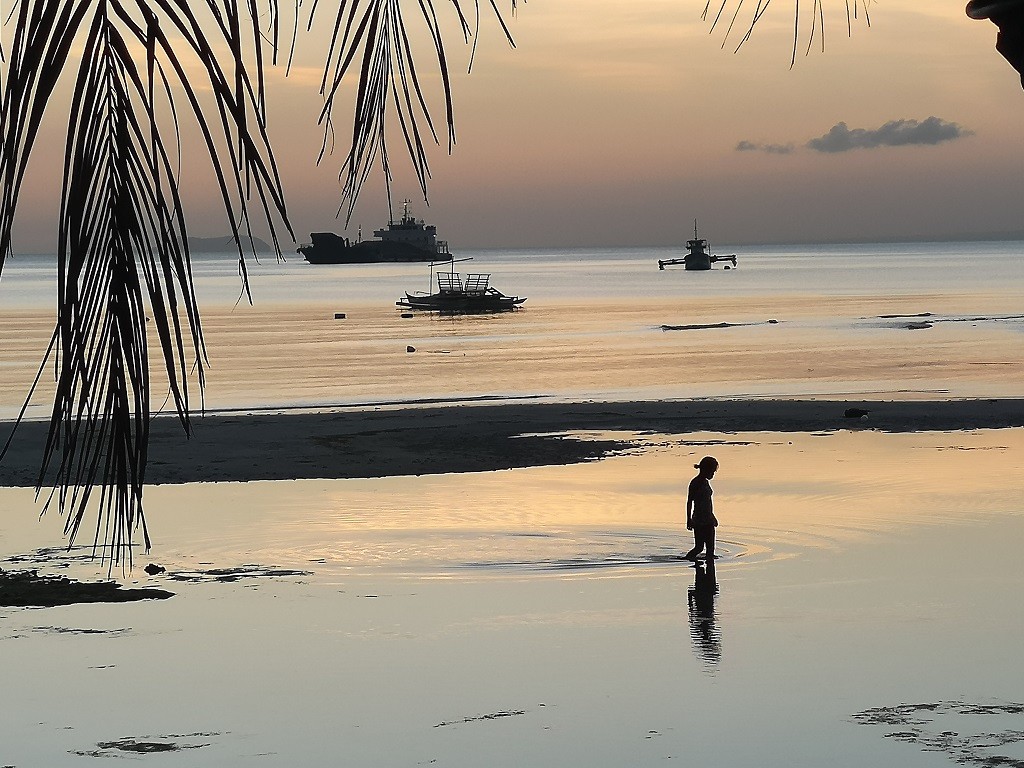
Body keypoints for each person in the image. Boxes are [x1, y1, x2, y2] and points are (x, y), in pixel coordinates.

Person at [684, 456, 719, 561]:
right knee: (699, 548)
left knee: (710, 550)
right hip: (699, 520)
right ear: (705, 470)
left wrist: (713, 517)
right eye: (711, 472)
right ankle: (687, 561)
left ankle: (709, 574)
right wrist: (689, 519)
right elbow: (689, 501)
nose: (713, 474)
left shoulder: (705, 482)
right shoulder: (695, 483)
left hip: (708, 519)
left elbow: (707, 503)